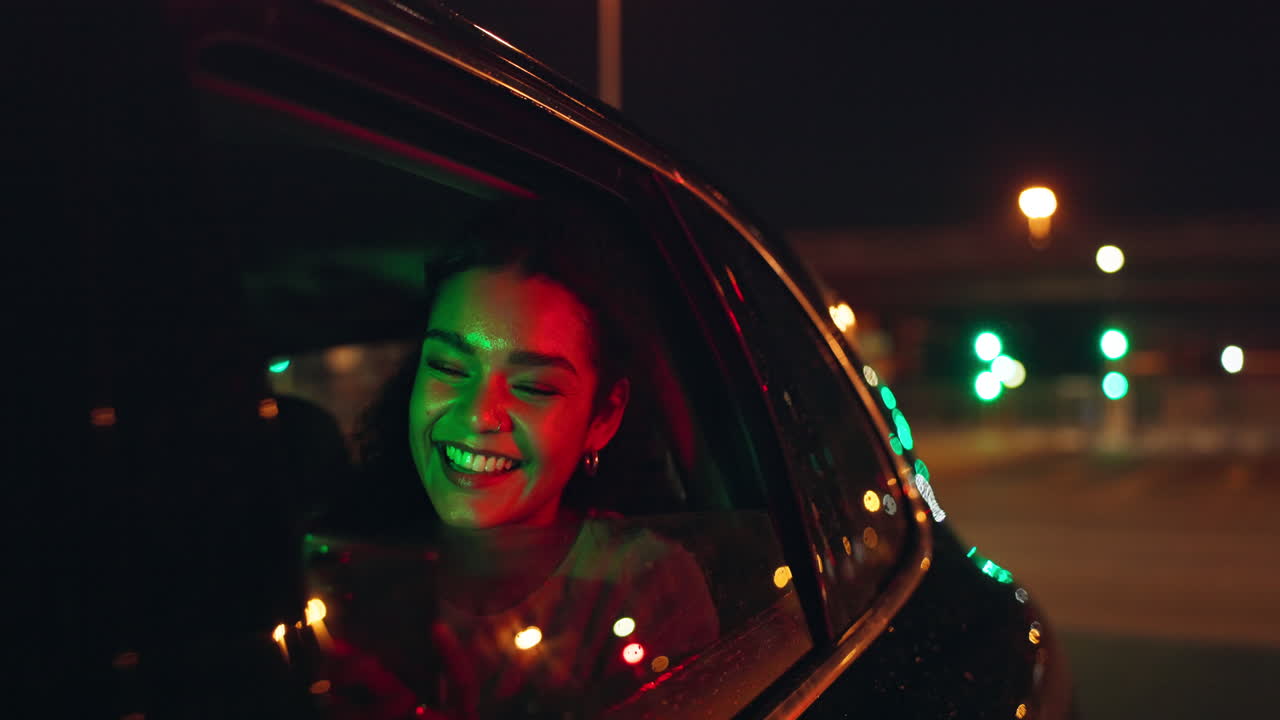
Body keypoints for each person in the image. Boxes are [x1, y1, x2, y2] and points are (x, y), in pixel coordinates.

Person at [304, 201, 720, 719]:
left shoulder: (644, 587)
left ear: (603, 417)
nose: (478, 416)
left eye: (533, 386)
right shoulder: (339, 573)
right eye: (448, 368)